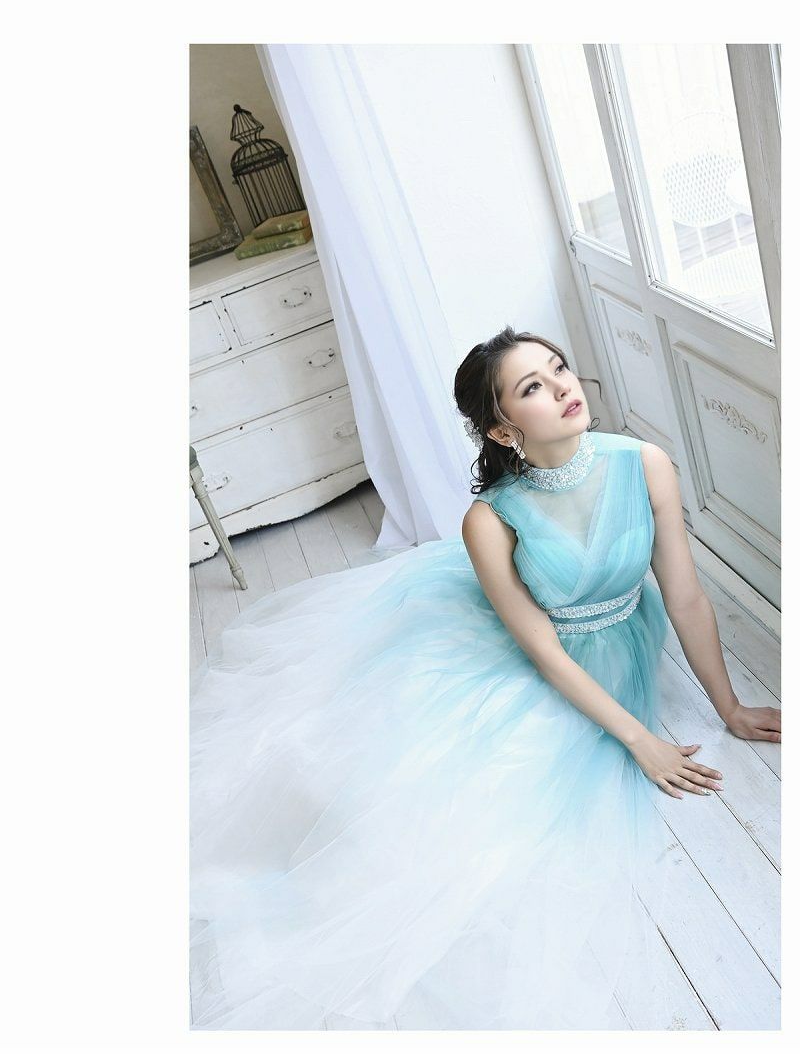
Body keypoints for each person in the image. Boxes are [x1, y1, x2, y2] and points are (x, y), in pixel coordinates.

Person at [189, 326, 780, 1031]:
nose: (562, 386)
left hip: (620, 635)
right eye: (533, 386)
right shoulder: (489, 520)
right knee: (420, 806)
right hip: (542, 652)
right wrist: (640, 741)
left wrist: (730, 706)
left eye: (558, 368)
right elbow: (546, 655)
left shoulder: (643, 463)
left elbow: (684, 597)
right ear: (503, 429)